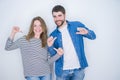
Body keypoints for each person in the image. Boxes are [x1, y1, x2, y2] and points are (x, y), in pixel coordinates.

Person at [47, 5, 96, 80]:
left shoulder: (76, 25)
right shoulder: (53, 35)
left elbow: (93, 36)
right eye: (55, 16)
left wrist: (87, 32)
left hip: (78, 70)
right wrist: (50, 46)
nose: (57, 19)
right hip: (62, 71)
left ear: (65, 15)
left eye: (59, 15)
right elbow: (54, 56)